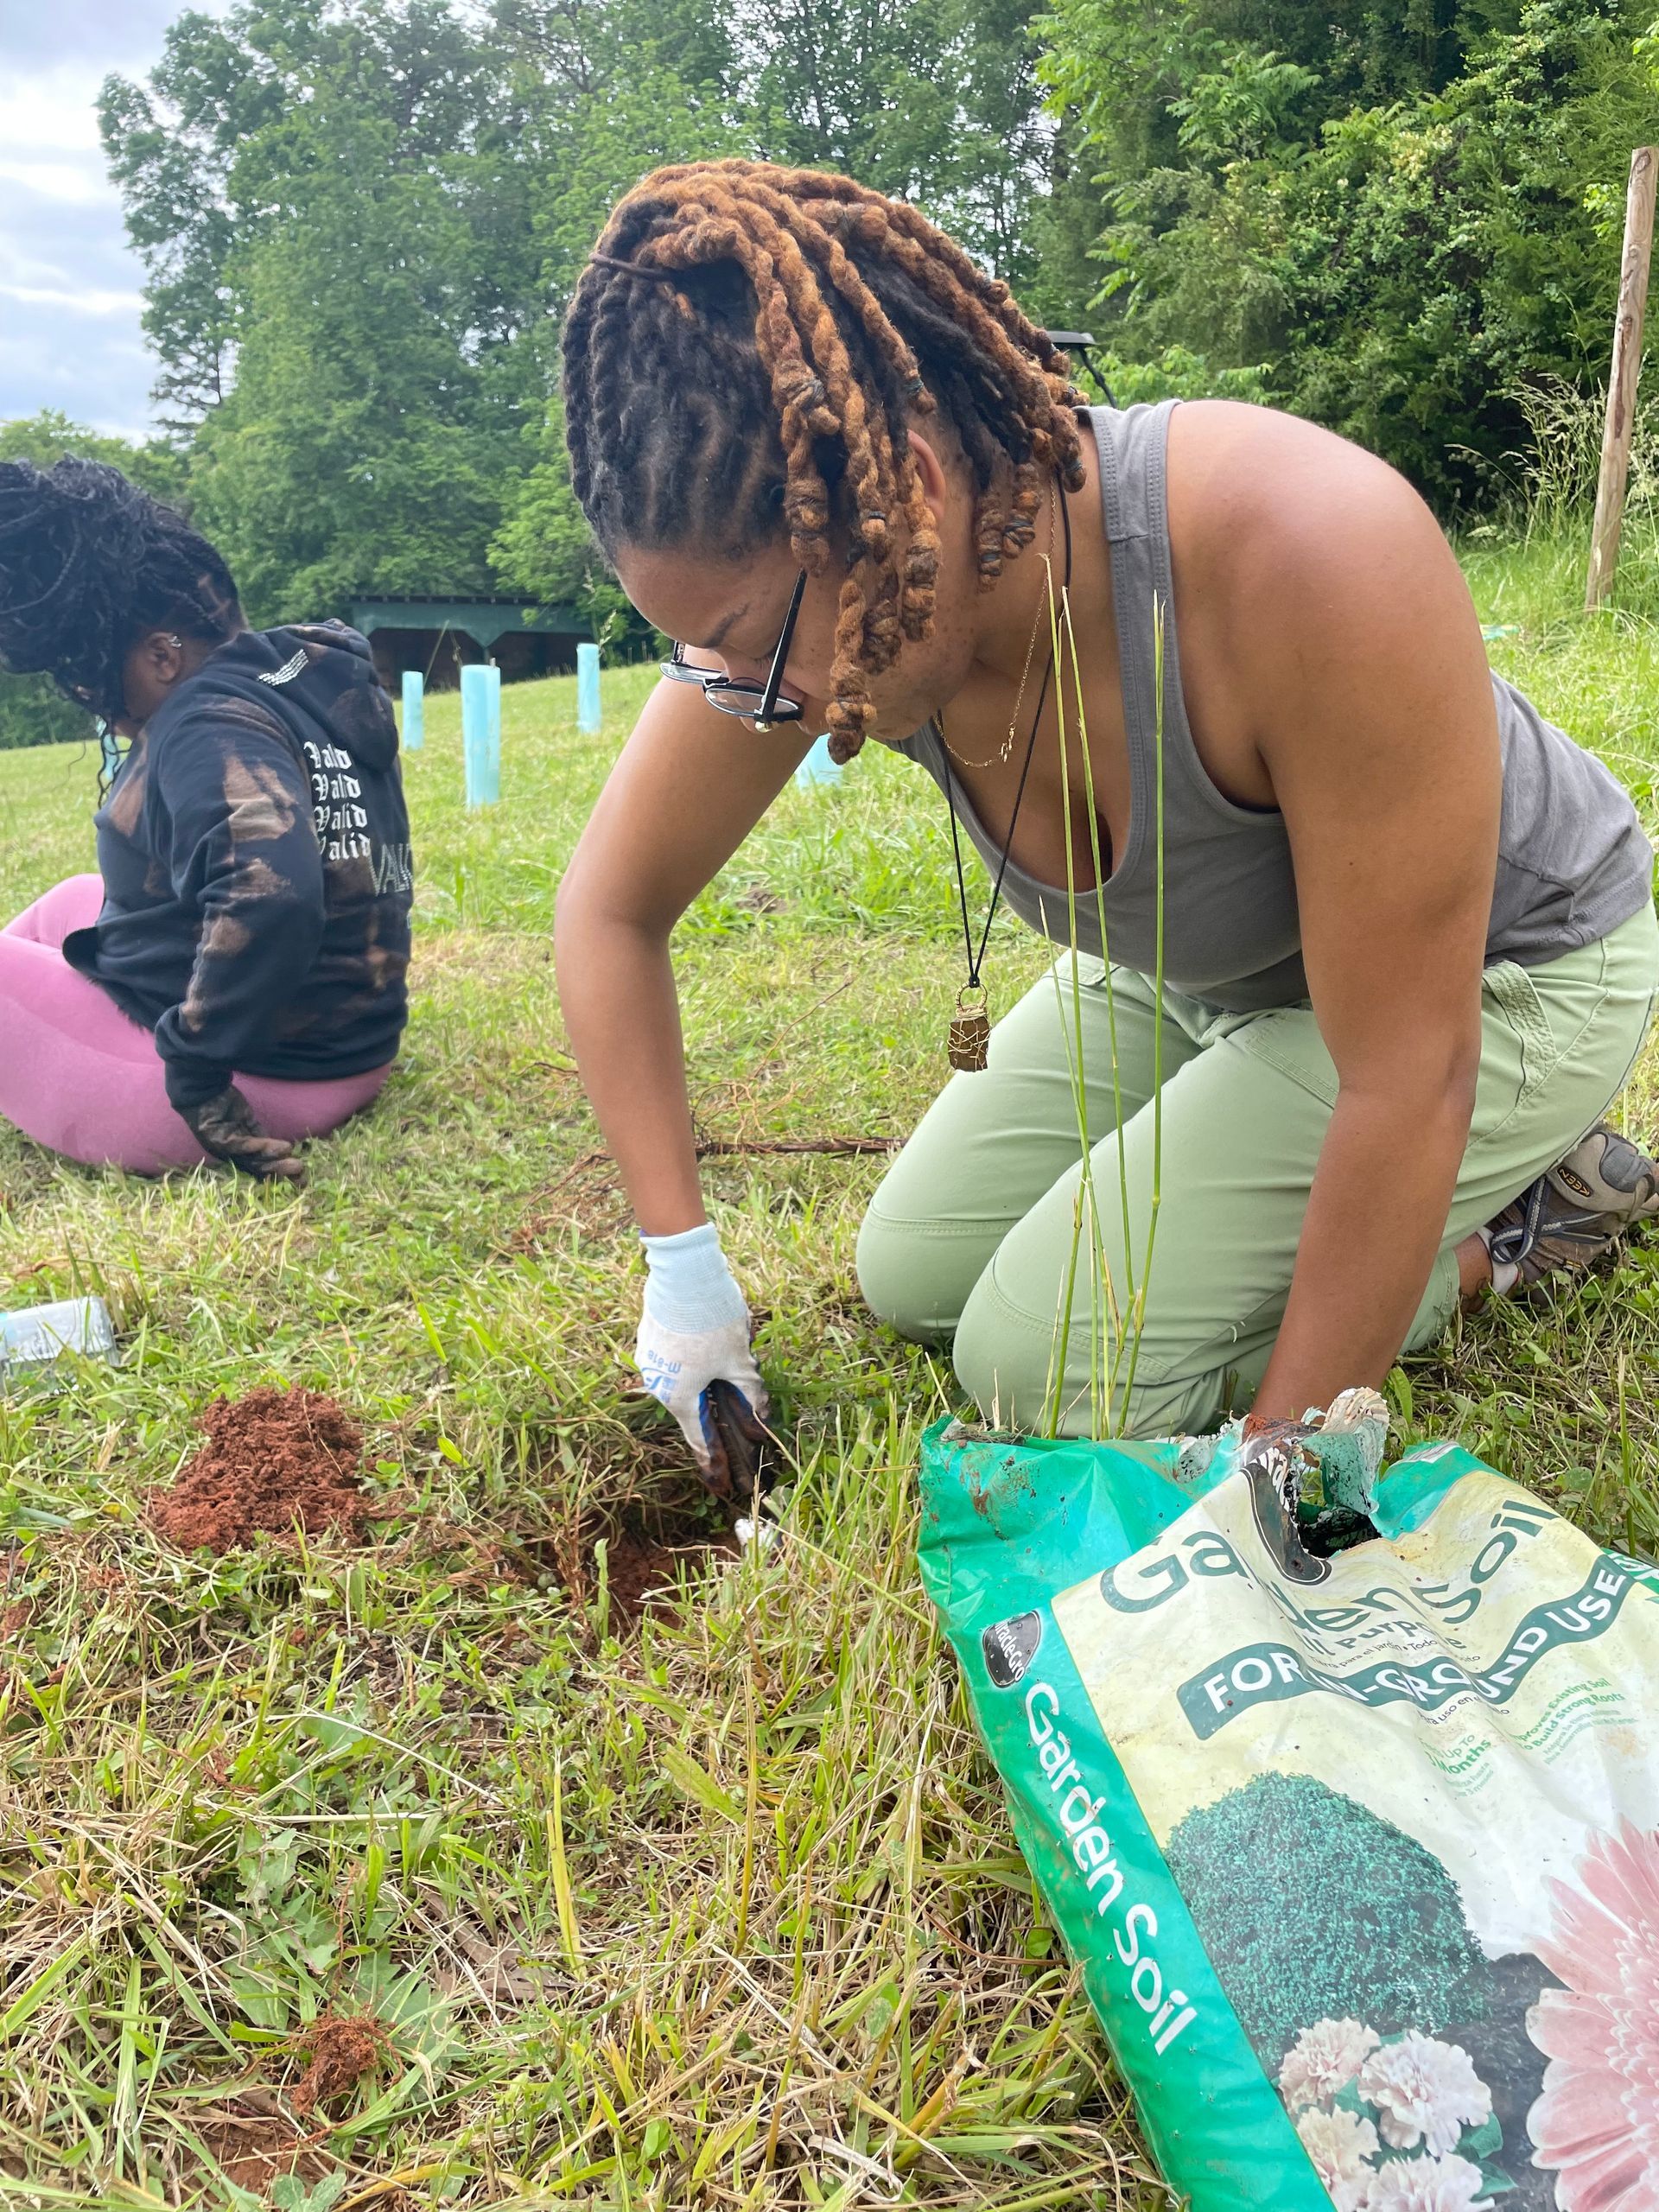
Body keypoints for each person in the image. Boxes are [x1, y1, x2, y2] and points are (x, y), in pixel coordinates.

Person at [553, 157, 1659, 1463]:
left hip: (1496, 977)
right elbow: (610, 913)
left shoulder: (1307, 548)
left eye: (752, 642)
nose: (754, 704)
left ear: (902, 489)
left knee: (1040, 1365)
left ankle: (1525, 1225)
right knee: (910, 1269)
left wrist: (1288, 1469)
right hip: (1220, 966)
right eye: (706, 663)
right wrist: (682, 1270)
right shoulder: (820, 620)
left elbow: (1407, 1072)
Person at [0, 459, 414, 1180]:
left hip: (251, 1084)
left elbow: (272, 892)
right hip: (353, 1050)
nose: (102, 707)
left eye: (99, 679)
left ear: (162, 656)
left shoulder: (202, 722)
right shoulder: (300, 672)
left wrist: (196, 1072)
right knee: (72, 899)